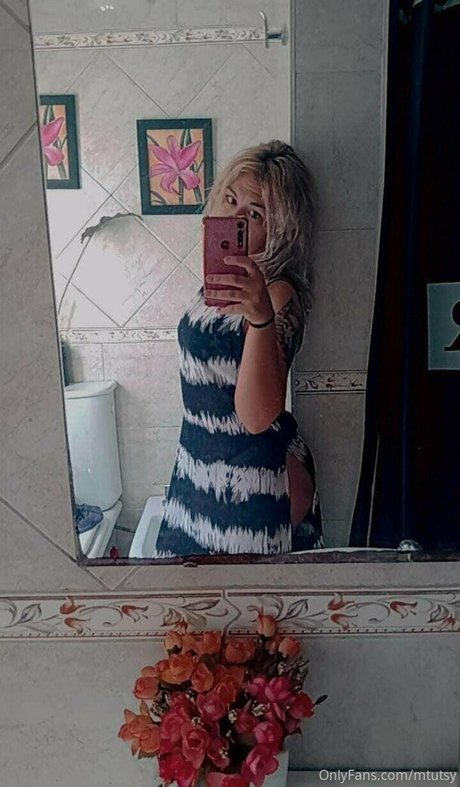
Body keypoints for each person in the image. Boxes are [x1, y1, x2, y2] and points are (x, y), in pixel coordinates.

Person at [154, 140, 324, 557]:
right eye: (230, 200)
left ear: (281, 229)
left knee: (246, 597)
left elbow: (256, 416)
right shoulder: (214, 285)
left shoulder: (278, 293)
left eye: (254, 214)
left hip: (248, 484)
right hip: (194, 468)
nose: (235, 218)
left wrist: (261, 316)